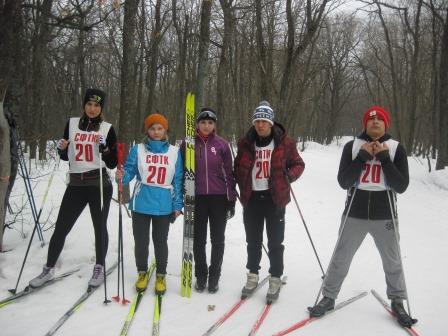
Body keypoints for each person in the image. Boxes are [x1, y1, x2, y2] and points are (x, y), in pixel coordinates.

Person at [309, 106, 416, 327]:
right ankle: (328, 297)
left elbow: (401, 185)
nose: (375, 122)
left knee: (392, 260)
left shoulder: (396, 148)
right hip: (354, 212)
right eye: (370, 120)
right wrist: (363, 157)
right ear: (365, 124)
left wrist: (385, 158)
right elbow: (343, 182)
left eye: (379, 120)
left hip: (385, 214)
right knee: (341, 256)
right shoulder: (352, 146)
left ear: (386, 124)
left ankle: (397, 300)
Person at [29, 88, 117, 288]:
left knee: (99, 227)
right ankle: (49, 268)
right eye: (89, 104)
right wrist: (61, 149)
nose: (92, 109)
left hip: (99, 184)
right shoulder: (71, 124)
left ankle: (99, 266)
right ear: (84, 105)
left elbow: (112, 162)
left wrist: (104, 148)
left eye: (96, 105)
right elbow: (65, 155)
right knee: (61, 227)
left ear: (101, 108)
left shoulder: (107, 128)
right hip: (76, 183)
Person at [234, 101, 305, 302]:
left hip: (275, 199)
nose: (260, 125)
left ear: (271, 122)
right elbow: (237, 166)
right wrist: (240, 183)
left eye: (264, 121)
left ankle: (275, 277)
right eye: (257, 121)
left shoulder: (285, 142)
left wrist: (288, 177)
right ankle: (253, 275)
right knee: (253, 241)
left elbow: (298, 164)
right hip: (252, 199)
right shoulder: (245, 143)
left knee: (275, 242)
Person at [115, 113, 183, 295]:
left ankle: (161, 274)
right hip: (142, 203)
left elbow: (177, 180)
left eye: (160, 128)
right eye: (152, 128)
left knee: (160, 241)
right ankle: (142, 272)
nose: (156, 132)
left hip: (163, 204)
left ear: (165, 130)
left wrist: (178, 205)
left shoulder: (174, 152)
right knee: (141, 241)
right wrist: (122, 177)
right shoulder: (138, 150)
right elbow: (129, 171)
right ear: (147, 131)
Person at [192, 108, 237, 294]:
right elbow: (181, 174)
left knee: (217, 239)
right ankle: (201, 275)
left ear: (215, 125)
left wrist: (231, 199)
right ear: (197, 124)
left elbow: (229, 174)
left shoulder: (222, 145)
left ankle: (214, 276)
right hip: (197, 198)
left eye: (210, 123)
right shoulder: (188, 145)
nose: (206, 125)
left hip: (219, 198)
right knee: (198, 240)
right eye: (203, 122)